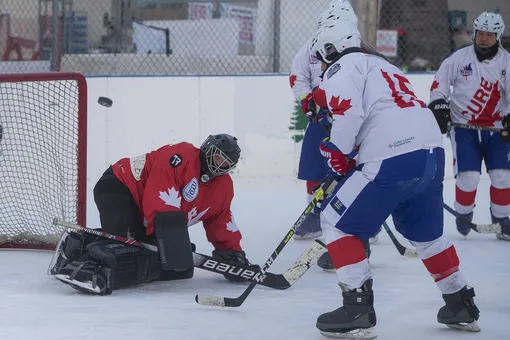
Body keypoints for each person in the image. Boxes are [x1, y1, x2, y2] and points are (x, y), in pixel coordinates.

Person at [309, 20, 480, 338]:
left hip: (392, 155)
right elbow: (385, 110)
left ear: (330, 48)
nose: (321, 62)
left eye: (321, 55)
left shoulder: (342, 66)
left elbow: (349, 112)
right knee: (426, 236)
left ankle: (357, 308)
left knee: (336, 220)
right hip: (430, 153)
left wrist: (337, 151)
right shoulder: (385, 67)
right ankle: (461, 303)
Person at [49, 134, 260, 295]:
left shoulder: (223, 188)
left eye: (225, 163)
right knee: (128, 245)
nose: (218, 164)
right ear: (206, 149)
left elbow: (221, 220)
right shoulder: (181, 156)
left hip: (144, 210)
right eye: (216, 157)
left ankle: (78, 244)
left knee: (172, 266)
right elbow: (161, 197)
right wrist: (171, 242)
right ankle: (85, 266)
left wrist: (232, 253)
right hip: (118, 185)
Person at [429, 11, 510, 241]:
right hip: (464, 127)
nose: (484, 38)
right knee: (468, 177)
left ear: (498, 36)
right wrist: (439, 106)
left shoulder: (507, 63)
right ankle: (463, 215)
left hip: (497, 130)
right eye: (480, 33)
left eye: (489, 35)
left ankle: (502, 220)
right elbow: (439, 86)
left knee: (503, 176)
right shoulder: (458, 59)